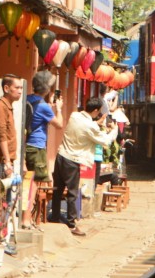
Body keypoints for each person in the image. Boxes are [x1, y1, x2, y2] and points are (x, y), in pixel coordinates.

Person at [50, 98, 118, 236]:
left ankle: (55, 216)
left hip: (61, 156)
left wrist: (97, 123)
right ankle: (71, 223)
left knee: (58, 189)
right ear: (95, 111)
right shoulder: (90, 126)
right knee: (72, 192)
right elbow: (106, 140)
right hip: (73, 161)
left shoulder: (74, 115)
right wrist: (114, 130)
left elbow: (87, 125)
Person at [23, 71, 63, 228]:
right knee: (33, 185)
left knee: (26, 181)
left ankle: (26, 218)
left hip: (26, 145)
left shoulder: (27, 100)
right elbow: (59, 124)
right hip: (37, 147)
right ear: (47, 89)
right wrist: (58, 109)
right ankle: (27, 219)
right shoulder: (44, 106)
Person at [0, 74, 22, 178]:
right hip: (0, 163)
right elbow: (1, 135)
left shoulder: (7, 106)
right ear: (6, 88)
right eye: (17, 88)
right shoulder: (0, 106)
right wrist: (7, 161)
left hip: (5, 163)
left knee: (6, 194)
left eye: (21, 88)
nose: (20, 91)